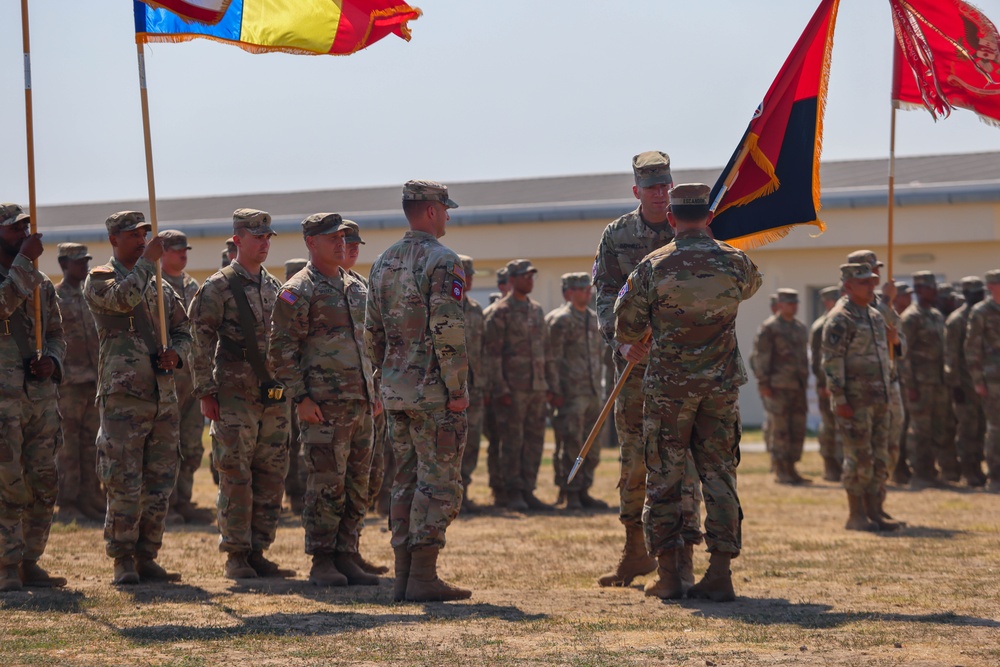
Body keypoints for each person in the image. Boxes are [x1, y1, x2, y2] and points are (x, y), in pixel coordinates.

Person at [614, 183, 761, 601]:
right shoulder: (735, 262)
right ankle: (719, 572)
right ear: (710, 218)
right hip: (720, 387)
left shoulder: (652, 266)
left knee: (665, 478)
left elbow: (626, 326)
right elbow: (750, 288)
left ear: (673, 219)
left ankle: (670, 575)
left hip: (670, 390)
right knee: (719, 476)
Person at [592, 151, 703, 589]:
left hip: (685, 367)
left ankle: (682, 559)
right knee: (635, 460)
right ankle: (635, 550)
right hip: (635, 370)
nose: (660, 194)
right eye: (652, 187)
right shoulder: (617, 235)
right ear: (637, 191)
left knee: (685, 461)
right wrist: (619, 340)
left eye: (665, 187)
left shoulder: (693, 230)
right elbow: (603, 291)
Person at [365, 179, 471, 603]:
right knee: (438, 481)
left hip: (396, 391)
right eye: (446, 209)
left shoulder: (382, 261)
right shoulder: (444, 261)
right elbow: (448, 330)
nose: (448, 216)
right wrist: (457, 388)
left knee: (404, 480)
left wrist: (384, 376)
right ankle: (423, 574)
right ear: (431, 210)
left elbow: (372, 332)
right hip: (433, 394)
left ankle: (404, 576)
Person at [268, 213, 381, 587]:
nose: (340, 242)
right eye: (331, 237)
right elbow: (280, 350)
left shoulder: (356, 286)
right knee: (326, 483)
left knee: (357, 482)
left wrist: (373, 390)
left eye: (343, 236)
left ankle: (347, 553)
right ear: (310, 243)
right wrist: (299, 398)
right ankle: (322, 559)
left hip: (360, 402)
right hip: (323, 404)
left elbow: (368, 343)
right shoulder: (298, 289)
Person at [85, 210, 189, 585]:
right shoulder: (100, 278)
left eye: (144, 233)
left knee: (159, 482)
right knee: (124, 480)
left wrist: (177, 354)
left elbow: (183, 329)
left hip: (162, 396)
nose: (142, 240)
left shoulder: (161, 283)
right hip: (123, 398)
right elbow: (122, 300)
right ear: (114, 239)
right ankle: (122, 558)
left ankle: (148, 554)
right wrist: (147, 263)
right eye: (133, 235)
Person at [189, 209, 292, 580]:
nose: (264, 243)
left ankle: (259, 549)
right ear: (237, 240)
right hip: (234, 394)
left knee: (271, 472)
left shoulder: (273, 286)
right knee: (235, 472)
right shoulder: (217, 286)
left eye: (268, 237)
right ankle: (236, 553)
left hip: (273, 395)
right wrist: (205, 391)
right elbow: (199, 341)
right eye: (257, 237)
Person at [0, 204, 67, 592]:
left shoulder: (40, 284)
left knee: (43, 481)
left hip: (39, 398)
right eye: (14, 230)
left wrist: (53, 360)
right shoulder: (28, 272)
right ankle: (6, 563)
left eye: (26, 228)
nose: (24, 235)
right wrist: (25, 260)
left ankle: (29, 560)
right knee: (8, 482)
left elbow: (56, 332)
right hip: (4, 398)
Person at [822, 263, 902, 532]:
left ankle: (874, 510)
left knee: (880, 456)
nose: (871, 286)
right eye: (865, 282)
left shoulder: (875, 315)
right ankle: (856, 515)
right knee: (859, 458)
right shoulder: (840, 318)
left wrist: (895, 341)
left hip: (879, 397)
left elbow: (886, 356)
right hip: (854, 400)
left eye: (872, 281)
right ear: (848, 286)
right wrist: (840, 398)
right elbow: (832, 362)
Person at [483, 259, 552, 512]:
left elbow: (546, 351)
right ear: (512, 280)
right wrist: (500, 388)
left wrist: (548, 384)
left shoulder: (536, 310)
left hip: (536, 387)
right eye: (525, 276)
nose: (530, 280)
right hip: (512, 389)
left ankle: (528, 489)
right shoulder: (501, 312)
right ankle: (511, 491)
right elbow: (492, 355)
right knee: (512, 441)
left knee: (534, 440)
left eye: (532, 276)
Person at [158, 230, 213, 525]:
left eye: (185, 249)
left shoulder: (194, 286)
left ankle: (184, 499)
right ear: (162, 252)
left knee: (191, 444)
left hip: (193, 377)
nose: (183, 254)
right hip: (167, 377)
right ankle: (165, 503)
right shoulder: (155, 285)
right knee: (166, 444)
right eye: (176, 249)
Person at [546, 272, 607, 511]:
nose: (586, 292)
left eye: (587, 288)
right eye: (581, 289)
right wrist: (554, 390)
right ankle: (569, 491)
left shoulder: (593, 319)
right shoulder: (559, 320)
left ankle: (584, 490)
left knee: (592, 446)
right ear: (568, 292)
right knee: (570, 444)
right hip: (569, 392)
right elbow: (551, 359)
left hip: (592, 391)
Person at [54, 242, 106, 522]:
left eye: (86, 261)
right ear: (63, 264)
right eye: (78, 262)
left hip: (92, 381)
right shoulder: (53, 297)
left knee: (91, 444)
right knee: (68, 447)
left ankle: (90, 497)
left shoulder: (91, 296)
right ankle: (69, 502)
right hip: (68, 384)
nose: (84, 266)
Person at [900, 271, 953, 488]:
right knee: (920, 429)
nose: (935, 292)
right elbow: (903, 355)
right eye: (931, 288)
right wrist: (910, 385)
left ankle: (932, 471)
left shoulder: (936, 315)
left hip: (938, 382)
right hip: (919, 384)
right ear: (920, 290)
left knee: (939, 428)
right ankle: (920, 474)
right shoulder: (910, 318)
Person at [754, 289, 811, 485]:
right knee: (780, 430)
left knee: (797, 428)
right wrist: (763, 383)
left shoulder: (800, 328)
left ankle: (792, 467)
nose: (793, 306)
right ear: (780, 305)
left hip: (798, 386)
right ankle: (780, 469)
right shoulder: (770, 328)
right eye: (789, 303)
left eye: (795, 303)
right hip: (777, 387)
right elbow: (761, 358)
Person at [945, 276, 988, 487]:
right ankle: (968, 470)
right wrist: (955, 386)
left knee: (981, 428)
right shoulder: (956, 320)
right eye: (973, 293)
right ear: (965, 295)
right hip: (964, 384)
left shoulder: (984, 315)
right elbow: (950, 356)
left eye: (980, 292)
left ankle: (978, 467)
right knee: (966, 429)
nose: (978, 296)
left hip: (983, 384)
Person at [965, 269, 1000, 492]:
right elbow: (971, 349)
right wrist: (978, 380)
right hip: (992, 379)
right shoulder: (981, 312)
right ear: (991, 287)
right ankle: (995, 477)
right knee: (996, 428)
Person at [457, 255, 486, 514]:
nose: (469, 279)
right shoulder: (443, 306)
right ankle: (452, 495)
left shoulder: (476, 309)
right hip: (452, 388)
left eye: (471, 275)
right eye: (465, 274)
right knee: (453, 442)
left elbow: (483, 350)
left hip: (474, 386)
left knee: (473, 441)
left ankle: (465, 491)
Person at [281, 257, 309, 516]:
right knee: (287, 441)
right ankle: (292, 494)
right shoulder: (285, 300)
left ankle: (301, 493)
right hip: (287, 382)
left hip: (307, 382)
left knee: (302, 440)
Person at [481, 266, 509, 503]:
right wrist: (495, 388)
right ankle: (499, 489)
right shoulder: (492, 314)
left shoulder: (527, 311)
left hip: (520, 388)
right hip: (497, 389)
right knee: (498, 441)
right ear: (502, 286)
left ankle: (515, 490)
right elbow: (489, 356)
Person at [810, 285, 843, 481]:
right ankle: (830, 466)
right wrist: (823, 384)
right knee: (829, 427)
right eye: (834, 299)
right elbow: (816, 359)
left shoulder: (839, 321)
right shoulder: (821, 325)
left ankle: (840, 465)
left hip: (837, 382)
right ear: (827, 302)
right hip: (826, 385)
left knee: (840, 427)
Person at [749, 294, 779, 469]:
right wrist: (763, 381)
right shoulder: (767, 329)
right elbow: (757, 359)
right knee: (773, 422)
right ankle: (774, 457)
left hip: (785, 385)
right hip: (771, 384)